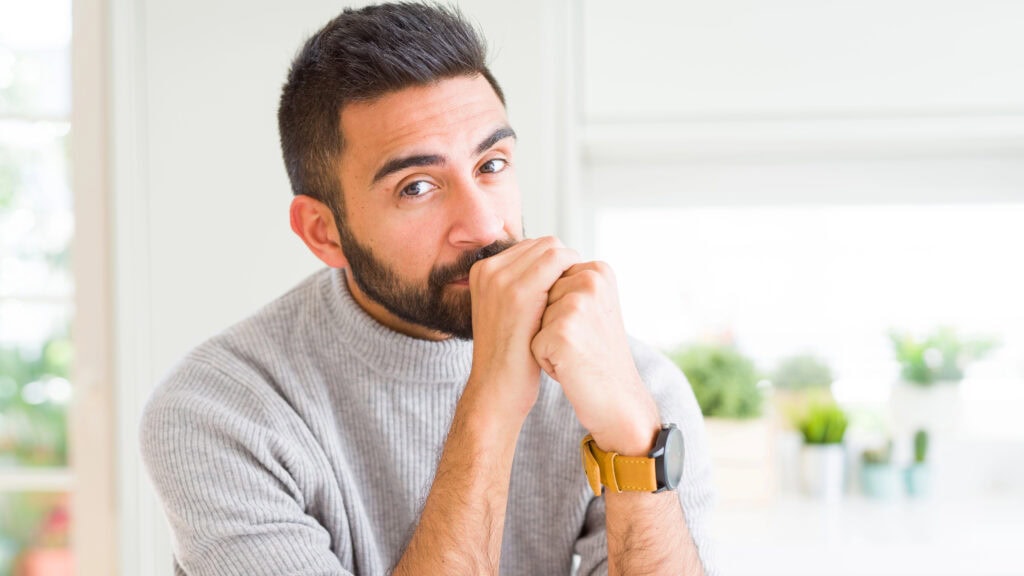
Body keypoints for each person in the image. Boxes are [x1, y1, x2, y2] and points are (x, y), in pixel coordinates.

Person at [140, 3, 717, 575]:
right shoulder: (218, 414)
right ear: (324, 231)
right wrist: (491, 401)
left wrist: (633, 442)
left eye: (491, 165)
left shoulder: (634, 382)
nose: (486, 226)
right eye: (417, 186)